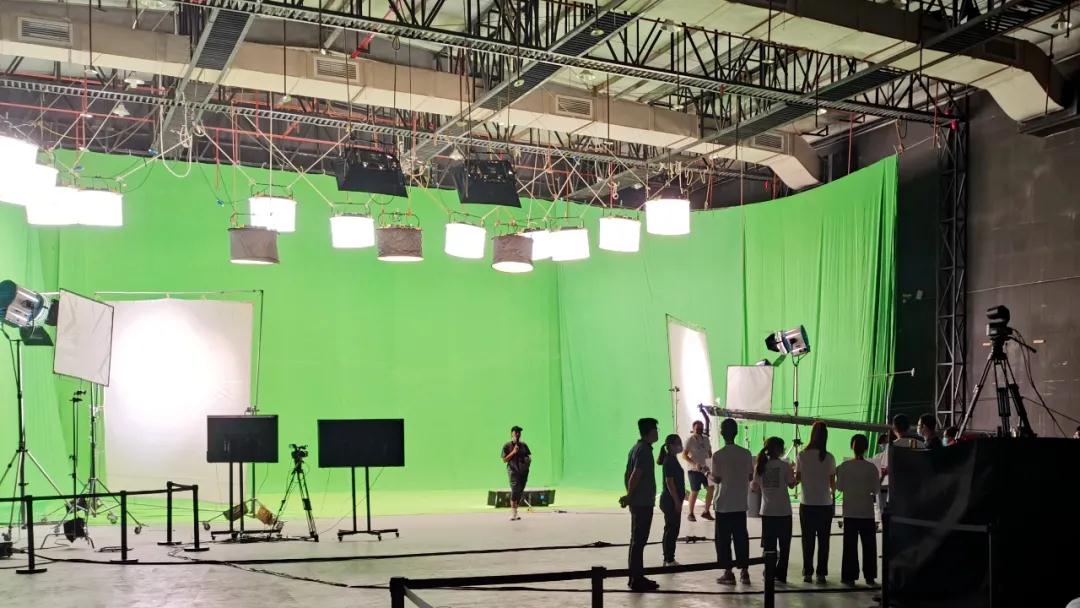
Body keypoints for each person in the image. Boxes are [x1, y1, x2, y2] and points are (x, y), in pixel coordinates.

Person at [711, 418, 753, 585]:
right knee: (741, 537)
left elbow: (717, 479)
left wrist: (706, 473)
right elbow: (750, 476)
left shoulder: (718, 455)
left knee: (723, 540)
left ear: (722, 433)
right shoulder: (746, 453)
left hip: (723, 504)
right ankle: (744, 572)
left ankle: (728, 573)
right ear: (736, 432)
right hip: (740, 503)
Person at [620, 417, 660, 592]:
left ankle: (635, 576)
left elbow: (627, 474)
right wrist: (630, 495)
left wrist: (630, 496)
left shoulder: (636, 448)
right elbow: (636, 474)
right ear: (651, 431)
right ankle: (636, 578)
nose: (658, 432)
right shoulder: (644, 450)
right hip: (642, 502)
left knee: (636, 541)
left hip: (638, 501)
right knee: (639, 541)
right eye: (656, 429)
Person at [796, 422, 836, 584]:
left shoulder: (802, 455)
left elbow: (798, 478)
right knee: (824, 540)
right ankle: (821, 573)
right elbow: (832, 483)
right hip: (825, 504)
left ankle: (807, 573)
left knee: (808, 540)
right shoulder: (829, 457)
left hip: (807, 503)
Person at [836, 434, 879, 586]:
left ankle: (849, 577)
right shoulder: (872, 468)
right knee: (869, 546)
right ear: (866, 448)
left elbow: (839, 487)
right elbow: (876, 490)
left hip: (850, 512)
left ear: (851, 447)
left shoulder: (844, 466)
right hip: (867, 512)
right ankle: (870, 576)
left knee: (850, 547)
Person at [753, 436, 796, 584]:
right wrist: (796, 474)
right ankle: (781, 575)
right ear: (779, 449)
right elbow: (792, 484)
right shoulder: (785, 466)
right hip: (784, 512)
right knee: (784, 547)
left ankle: (769, 572)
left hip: (767, 512)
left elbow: (754, 487)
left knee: (769, 546)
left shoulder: (760, 466)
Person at [657, 434, 686, 567]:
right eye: (678, 443)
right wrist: (677, 501)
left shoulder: (673, 459)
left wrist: (684, 492)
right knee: (671, 530)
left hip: (672, 499)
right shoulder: (669, 460)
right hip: (670, 501)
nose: (680, 445)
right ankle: (669, 559)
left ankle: (668, 557)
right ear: (671, 446)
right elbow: (669, 482)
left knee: (671, 529)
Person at [683, 420, 715, 522]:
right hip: (694, 470)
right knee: (695, 491)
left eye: (701, 428)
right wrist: (694, 464)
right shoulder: (689, 440)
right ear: (693, 429)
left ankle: (706, 511)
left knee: (711, 488)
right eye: (697, 428)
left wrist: (710, 465)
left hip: (706, 469)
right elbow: (684, 455)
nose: (699, 430)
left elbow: (709, 453)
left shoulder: (706, 439)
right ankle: (690, 513)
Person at [500, 426, 532, 521]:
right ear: (512, 434)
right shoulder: (507, 446)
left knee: (520, 491)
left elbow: (528, 456)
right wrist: (513, 452)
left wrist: (527, 461)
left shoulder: (523, 445)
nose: (517, 434)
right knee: (514, 490)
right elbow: (504, 460)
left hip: (523, 471)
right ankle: (513, 513)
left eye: (519, 432)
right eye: (516, 432)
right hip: (513, 471)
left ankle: (516, 511)